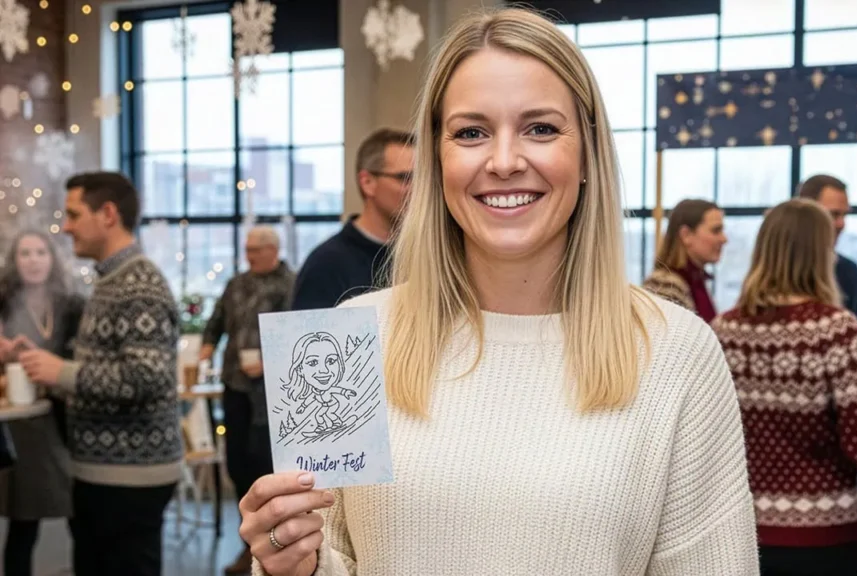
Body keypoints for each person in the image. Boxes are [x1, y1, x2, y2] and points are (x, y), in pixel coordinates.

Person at [238, 7, 758, 576]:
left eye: (540, 128)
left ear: (586, 153)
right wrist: (296, 564)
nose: (505, 161)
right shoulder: (351, 337)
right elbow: (332, 558)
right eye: (471, 132)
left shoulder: (676, 354)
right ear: (437, 159)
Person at [711, 198, 857, 576]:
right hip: (824, 531)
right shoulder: (835, 331)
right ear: (821, 252)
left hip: (740, 528)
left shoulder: (724, 330)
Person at [18, 171, 183, 576]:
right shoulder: (111, 280)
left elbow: (148, 376)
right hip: (106, 474)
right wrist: (43, 366)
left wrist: (64, 372)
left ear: (108, 214)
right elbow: (102, 368)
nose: (67, 226)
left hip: (130, 477)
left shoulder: (139, 283)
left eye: (74, 214)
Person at [200, 225, 296, 575]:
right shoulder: (236, 284)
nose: (249, 256)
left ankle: (277, 550)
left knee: (267, 470)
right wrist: (206, 347)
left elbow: (300, 337)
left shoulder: (291, 284)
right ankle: (248, 547)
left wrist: (270, 361)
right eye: (247, 249)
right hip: (236, 388)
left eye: (255, 250)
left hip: (275, 396)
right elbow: (216, 322)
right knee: (238, 466)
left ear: (273, 249)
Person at [0, 230, 85, 576]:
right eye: (25, 253)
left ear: (52, 258)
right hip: (20, 425)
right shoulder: (3, 303)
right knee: (24, 521)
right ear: (14, 261)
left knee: (80, 516)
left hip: (68, 422)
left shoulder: (73, 305)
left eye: (40, 252)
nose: (33, 260)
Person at [290, 129, 415, 310]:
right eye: (405, 177)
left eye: (423, 179)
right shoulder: (326, 265)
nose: (418, 189)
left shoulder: (426, 254)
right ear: (367, 183)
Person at [642, 199, 727, 322]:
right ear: (686, 235)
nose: (724, 239)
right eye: (716, 230)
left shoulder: (695, 281)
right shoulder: (665, 285)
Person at [798, 174, 857, 321]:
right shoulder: (778, 271)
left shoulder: (848, 272)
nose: (842, 224)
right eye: (833, 214)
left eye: (844, 215)